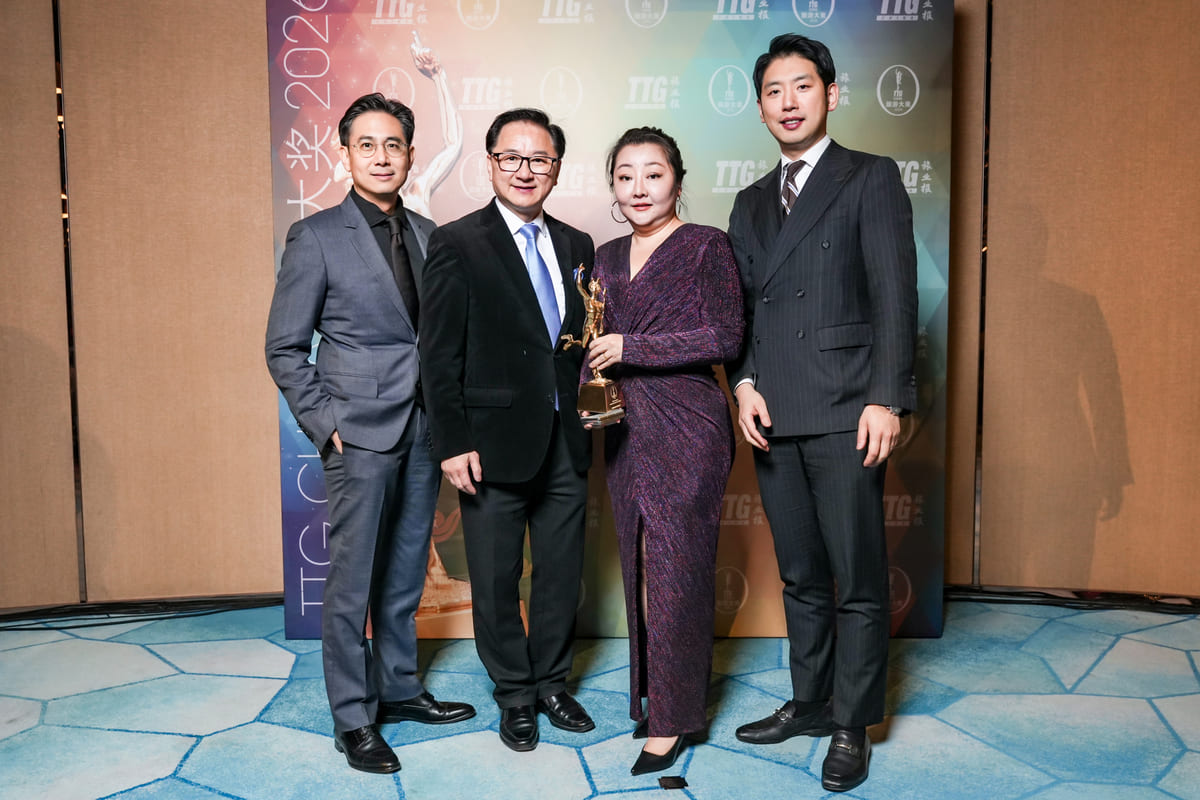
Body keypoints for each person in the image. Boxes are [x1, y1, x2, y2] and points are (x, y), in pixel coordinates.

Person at [725, 34, 918, 793]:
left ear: (830, 95)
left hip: (846, 407)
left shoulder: (870, 176)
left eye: (802, 86)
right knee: (801, 575)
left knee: (857, 578)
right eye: (773, 91)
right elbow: (739, 312)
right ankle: (809, 702)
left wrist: (886, 397)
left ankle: (850, 721)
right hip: (773, 410)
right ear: (760, 107)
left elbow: (895, 294)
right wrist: (743, 383)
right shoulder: (749, 201)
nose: (788, 102)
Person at [265, 93, 475, 774]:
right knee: (353, 581)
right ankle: (353, 718)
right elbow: (284, 348)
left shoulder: (430, 233)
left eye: (394, 145)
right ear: (345, 153)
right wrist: (327, 426)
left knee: (408, 570)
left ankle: (400, 688)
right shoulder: (317, 236)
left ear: (410, 155)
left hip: (423, 428)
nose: (382, 157)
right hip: (356, 434)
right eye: (367, 145)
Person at [419, 108, 596, 752]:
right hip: (489, 445)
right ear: (490, 163)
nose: (526, 170)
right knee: (495, 578)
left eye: (539, 159)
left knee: (561, 573)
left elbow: (575, 342)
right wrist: (452, 442)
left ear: (556, 168)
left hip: (567, 437)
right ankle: (515, 693)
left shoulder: (578, 245)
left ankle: (551, 682)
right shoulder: (457, 242)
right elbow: (437, 354)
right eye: (512, 158)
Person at [583, 127, 744, 776]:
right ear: (613, 187)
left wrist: (633, 349)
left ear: (677, 179)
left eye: (653, 173)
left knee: (678, 571)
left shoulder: (707, 246)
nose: (639, 187)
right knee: (639, 569)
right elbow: (594, 340)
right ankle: (654, 699)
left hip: (689, 425)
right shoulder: (603, 256)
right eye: (626, 176)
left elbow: (726, 337)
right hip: (624, 427)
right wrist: (588, 388)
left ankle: (674, 720)